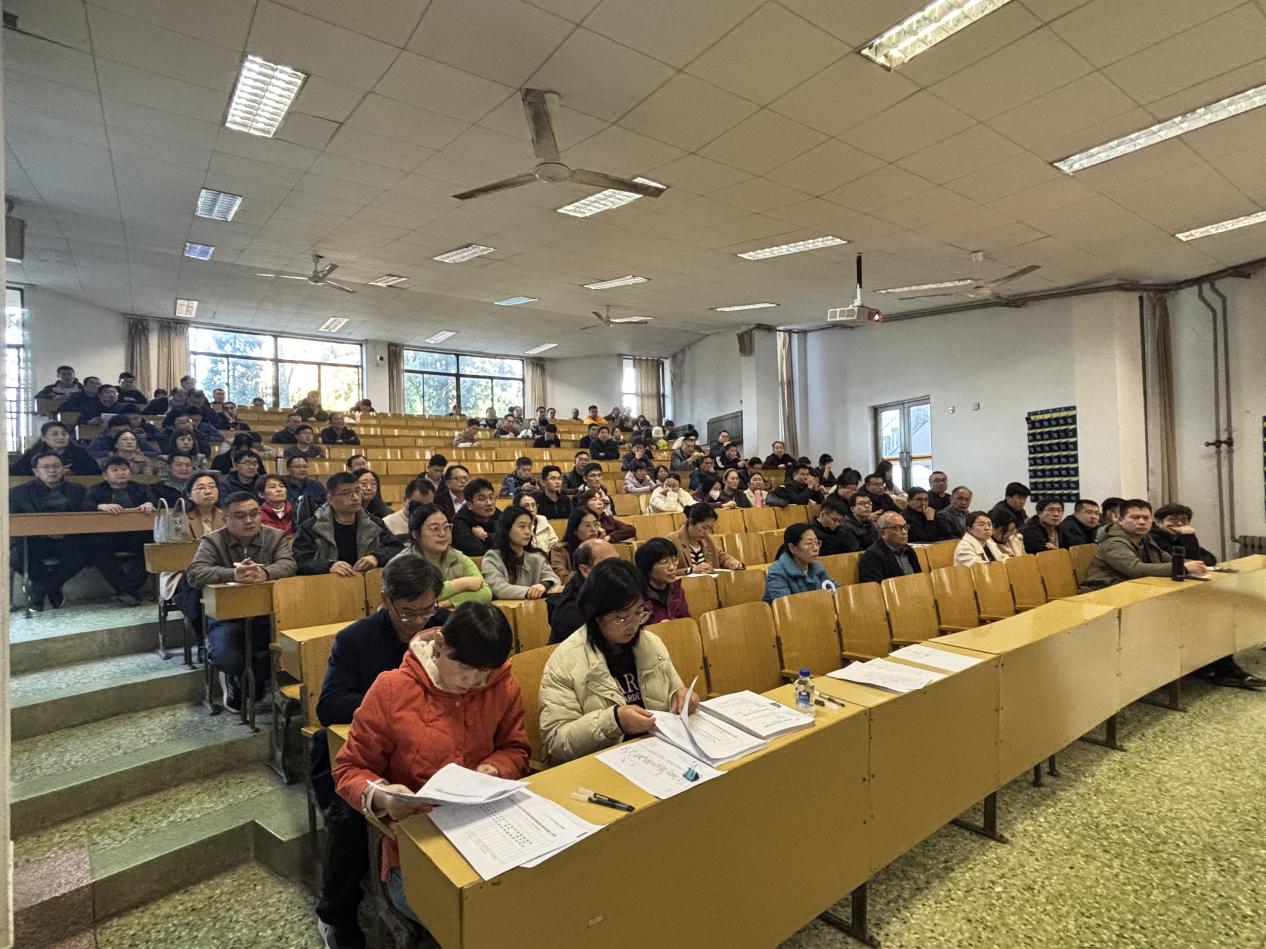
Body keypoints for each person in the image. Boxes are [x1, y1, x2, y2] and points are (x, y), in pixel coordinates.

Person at [333, 601, 528, 924]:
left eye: (484, 672)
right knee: (477, 918)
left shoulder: (502, 684)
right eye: (464, 667)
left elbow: (516, 749)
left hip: (485, 826)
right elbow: (348, 769)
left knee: (527, 900)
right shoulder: (392, 689)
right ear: (439, 645)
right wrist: (383, 796)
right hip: (417, 840)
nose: (474, 681)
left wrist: (493, 768)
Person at [312, 557, 451, 949]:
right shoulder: (356, 639)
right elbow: (329, 705)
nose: (419, 621)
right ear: (386, 600)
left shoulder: (444, 628)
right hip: (369, 753)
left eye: (427, 609)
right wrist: (393, 705)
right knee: (353, 819)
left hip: (430, 747)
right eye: (408, 612)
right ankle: (335, 914)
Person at [1081, 500, 1261, 690]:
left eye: (1145, 518)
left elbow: (1168, 559)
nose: (1141, 522)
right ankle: (1218, 667)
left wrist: (1191, 563)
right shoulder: (1113, 542)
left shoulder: (1144, 539)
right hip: (1105, 596)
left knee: (1206, 611)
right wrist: (1184, 566)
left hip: (1136, 591)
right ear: (1120, 519)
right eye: (1135, 517)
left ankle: (1214, 665)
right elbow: (1134, 569)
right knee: (1193, 614)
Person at [539, 558, 695, 766]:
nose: (633, 625)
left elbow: (674, 692)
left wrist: (682, 696)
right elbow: (557, 741)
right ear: (595, 615)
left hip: (657, 755)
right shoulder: (566, 662)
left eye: (639, 612)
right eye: (621, 618)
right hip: (599, 765)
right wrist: (614, 720)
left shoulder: (651, 644)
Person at [9, 451, 89, 610]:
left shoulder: (79, 490)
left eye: (56, 466)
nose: (52, 470)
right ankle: (52, 588)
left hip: (68, 538)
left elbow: (86, 517)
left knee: (85, 552)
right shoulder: (18, 493)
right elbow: (15, 521)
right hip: (33, 539)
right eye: (46, 467)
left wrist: (67, 531)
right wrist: (44, 531)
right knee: (18, 558)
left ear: (63, 468)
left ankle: (38, 591)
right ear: (35, 471)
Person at [294, 473, 401, 576]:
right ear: (330, 498)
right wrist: (329, 566)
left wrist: (376, 558)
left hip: (367, 581)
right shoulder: (311, 528)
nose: (355, 497)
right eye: (346, 493)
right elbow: (301, 561)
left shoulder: (375, 523)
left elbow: (397, 549)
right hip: (328, 584)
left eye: (357, 491)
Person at [84, 456, 156, 606]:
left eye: (124, 469)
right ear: (105, 475)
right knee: (96, 549)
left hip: (136, 534)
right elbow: (84, 505)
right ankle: (129, 591)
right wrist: (101, 506)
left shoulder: (141, 488)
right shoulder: (96, 489)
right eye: (115, 470)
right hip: (108, 535)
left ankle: (127, 591)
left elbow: (153, 501)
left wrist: (149, 503)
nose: (120, 473)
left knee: (152, 547)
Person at [401, 504, 491, 607]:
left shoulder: (458, 558)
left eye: (446, 527)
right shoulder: (403, 563)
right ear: (415, 533)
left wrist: (443, 604)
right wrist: (461, 584)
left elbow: (486, 592)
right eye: (435, 528)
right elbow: (413, 598)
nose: (443, 534)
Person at [479, 505, 560, 600]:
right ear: (506, 529)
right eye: (522, 526)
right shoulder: (492, 557)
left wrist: (543, 585)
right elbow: (498, 588)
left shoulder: (537, 557)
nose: (527, 532)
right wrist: (531, 591)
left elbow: (554, 579)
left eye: (529, 526)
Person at [548, 539, 618, 644]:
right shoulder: (571, 610)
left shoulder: (612, 589)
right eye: (610, 564)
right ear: (585, 570)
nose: (619, 569)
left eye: (619, 561)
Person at [763, 523, 832, 602]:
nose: (816, 548)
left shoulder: (817, 568)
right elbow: (785, 605)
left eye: (817, 543)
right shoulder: (777, 573)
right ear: (792, 548)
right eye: (809, 543)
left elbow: (834, 590)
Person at [670, 503, 744, 573]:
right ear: (691, 521)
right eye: (704, 527)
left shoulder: (707, 540)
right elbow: (666, 573)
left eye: (710, 528)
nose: (707, 532)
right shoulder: (672, 541)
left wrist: (733, 563)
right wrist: (690, 570)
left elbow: (721, 556)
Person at [11, 420, 98, 475]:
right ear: (43, 438)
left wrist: (73, 472)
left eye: (64, 434)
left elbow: (96, 470)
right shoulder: (33, 453)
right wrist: (43, 471)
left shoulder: (80, 452)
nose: (61, 437)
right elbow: (15, 470)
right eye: (54, 434)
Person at [858, 512, 923, 584]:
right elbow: (875, 587)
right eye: (897, 528)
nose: (904, 532)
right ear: (882, 533)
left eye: (905, 527)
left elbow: (919, 577)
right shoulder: (872, 556)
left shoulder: (908, 550)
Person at [636, 537, 689, 624]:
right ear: (647, 567)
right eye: (664, 562)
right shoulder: (637, 595)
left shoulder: (677, 589)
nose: (672, 567)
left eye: (674, 560)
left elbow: (686, 620)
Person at [551, 507, 605, 585]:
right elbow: (562, 578)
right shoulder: (559, 550)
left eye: (595, 524)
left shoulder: (602, 546)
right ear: (575, 531)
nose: (593, 529)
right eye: (587, 525)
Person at [1150, 504, 1216, 565]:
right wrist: (1188, 535)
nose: (1179, 523)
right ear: (1158, 522)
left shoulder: (1180, 535)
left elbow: (1210, 558)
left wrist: (1187, 535)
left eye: (1184, 520)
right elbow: (1190, 561)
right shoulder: (1152, 537)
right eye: (1173, 519)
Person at [451, 478, 501, 556]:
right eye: (482, 499)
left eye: (491, 498)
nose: (489, 503)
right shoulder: (459, 523)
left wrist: (486, 536)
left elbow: (511, 541)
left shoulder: (498, 515)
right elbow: (478, 551)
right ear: (469, 505)